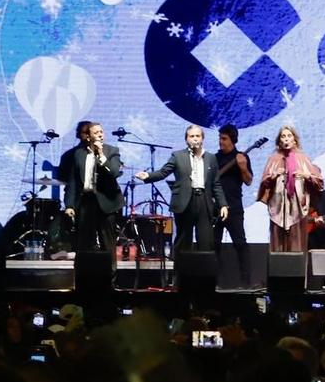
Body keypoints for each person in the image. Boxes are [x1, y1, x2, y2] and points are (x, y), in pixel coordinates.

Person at [138, 124, 219, 254]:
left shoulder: (211, 158)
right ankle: (180, 273)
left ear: (203, 138)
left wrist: (223, 204)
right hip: (185, 201)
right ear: (186, 139)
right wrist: (148, 176)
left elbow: (216, 183)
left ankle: (204, 273)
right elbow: (163, 172)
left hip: (204, 201)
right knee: (183, 241)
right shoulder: (178, 156)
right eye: (191, 136)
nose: (195, 139)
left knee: (205, 241)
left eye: (198, 136)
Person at [60, 120, 123, 256]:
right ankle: (85, 275)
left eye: (101, 132)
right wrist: (69, 205)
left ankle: (109, 276)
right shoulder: (78, 154)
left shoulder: (111, 151)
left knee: (108, 246)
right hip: (86, 202)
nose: (100, 135)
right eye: (96, 132)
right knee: (84, 245)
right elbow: (73, 182)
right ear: (88, 137)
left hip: (107, 202)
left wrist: (101, 155)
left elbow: (114, 173)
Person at [257, 125, 321, 252]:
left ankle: (296, 270)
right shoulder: (274, 159)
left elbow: (318, 181)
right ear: (279, 141)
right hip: (278, 207)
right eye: (283, 136)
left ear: (294, 140)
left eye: (289, 136)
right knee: (278, 245)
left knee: (296, 244)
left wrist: (305, 175)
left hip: (297, 208)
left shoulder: (302, 159)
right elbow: (264, 182)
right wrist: (273, 176)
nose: (286, 139)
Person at [212, 124, 254, 287]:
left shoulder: (242, 157)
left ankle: (245, 282)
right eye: (220, 138)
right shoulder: (214, 158)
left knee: (240, 243)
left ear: (233, 140)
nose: (221, 142)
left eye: (224, 139)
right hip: (215, 208)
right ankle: (213, 282)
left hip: (234, 207)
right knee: (214, 245)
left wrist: (242, 167)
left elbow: (248, 181)